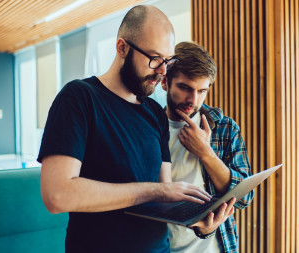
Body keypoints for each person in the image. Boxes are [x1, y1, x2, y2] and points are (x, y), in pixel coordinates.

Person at [37, 6, 213, 253]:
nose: (163, 71)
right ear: (122, 48)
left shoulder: (154, 113)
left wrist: (198, 222)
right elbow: (57, 196)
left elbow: (164, 198)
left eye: (168, 60)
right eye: (154, 58)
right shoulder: (78, 98)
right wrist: (155, 190)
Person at [161, 41, 254, 253]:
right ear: (165, 82)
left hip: (215, 247)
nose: (193, 100)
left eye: (202, 91)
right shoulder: (147, 129)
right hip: (162, 246)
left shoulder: (224, 127)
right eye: (185, 88)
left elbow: (244, 199)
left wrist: (206, 152)